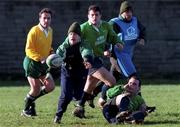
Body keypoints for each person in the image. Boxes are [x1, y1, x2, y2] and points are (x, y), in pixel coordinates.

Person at [72, 4, 124, 118]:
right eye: (92, 15)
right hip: (88, 60)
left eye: (96, 15)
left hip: (98, 59)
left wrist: (118, 42)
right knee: (111, 81)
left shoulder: (105, 26)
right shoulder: (83, 28)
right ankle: (97, 97)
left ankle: (80, 107)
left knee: (90, 84)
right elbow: (71, 38)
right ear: (88, 16)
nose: (94, 17)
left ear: (100, 15)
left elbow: (112, 36)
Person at [21, 8, 55, 117]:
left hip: (43, 64)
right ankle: (26, 110)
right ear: (40, 18)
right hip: (32, 63)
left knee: (50, 86)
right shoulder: (34, 31)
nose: (46, 20)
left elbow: (47, 45)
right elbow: (28, 49)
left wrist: (51, 52)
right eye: (44, 18)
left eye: (48, 18)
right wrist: (39, 58)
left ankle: (30, 100)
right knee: (35, 89)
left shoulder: (50, 30)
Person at [53, 22, 90, 124]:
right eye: (70, 34)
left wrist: (87, 59)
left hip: (81, 73)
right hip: (67, 73)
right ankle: (58, 115)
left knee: (79, 96)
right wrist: (54, 61)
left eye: (75, 34)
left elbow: (86, 51)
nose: (72, 36)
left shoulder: (83, 44)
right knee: (66, 96)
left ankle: (79, 106)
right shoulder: (64, 46)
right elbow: (58, 55)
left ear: (79, 36)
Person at [109, 0, 146, 79]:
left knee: (112, 79)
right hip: (119, 55)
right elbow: (108, 39)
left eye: (130, 12)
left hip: (129, 54)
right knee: (134, 78)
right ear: (121, 13)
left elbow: (142, 30)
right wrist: (110, 54)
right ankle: (136, 91)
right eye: (126, 12)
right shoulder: (115, 23)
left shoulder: (135, 21)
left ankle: (93, 91)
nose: (129, 14)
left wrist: (142, 38)